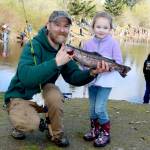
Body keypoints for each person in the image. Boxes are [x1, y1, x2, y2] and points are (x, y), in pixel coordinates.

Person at [4, 10, 109, 147]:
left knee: (54, 92)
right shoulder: (32, 45)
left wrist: (92, 72)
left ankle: (56, 133)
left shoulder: (65, 50)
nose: (62, 30)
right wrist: (56, 62)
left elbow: (74, 77)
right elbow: (26, 78)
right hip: (20, 95)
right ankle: (20, 123)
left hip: (43, 93)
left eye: (66, 26)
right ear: (48, 25)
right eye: (57, 25)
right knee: (31, 124)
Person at [82, 11, 123, 147]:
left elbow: (118, 61)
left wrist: (109, 68)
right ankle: (95, 130)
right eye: (98, 27)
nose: (101, 30)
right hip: (92, 80)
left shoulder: (113, 43)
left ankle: (105, 133)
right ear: (93, 27)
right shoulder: (87, 44)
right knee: (93, 108)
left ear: (110, 29)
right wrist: (85, 70)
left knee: (100, 108)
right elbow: (83, 63)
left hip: (106, 82)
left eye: (105, 28)